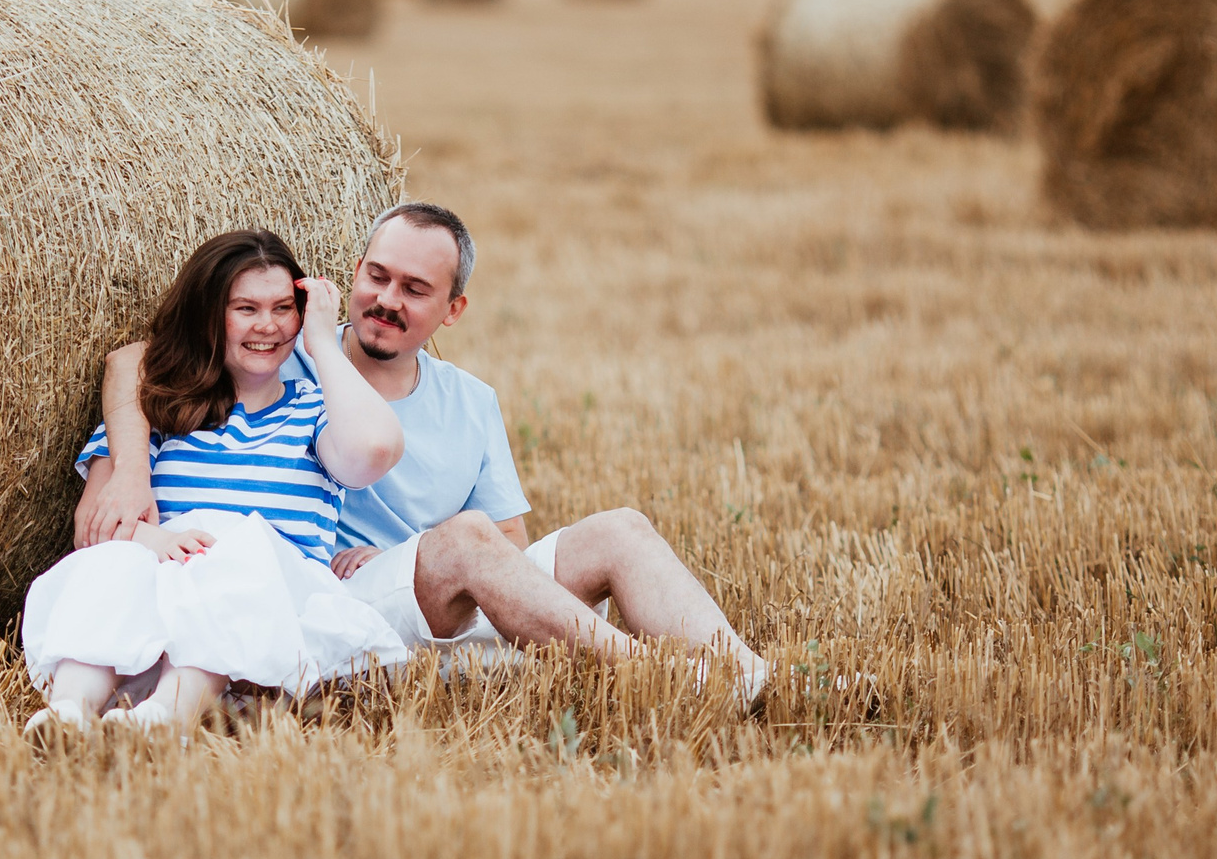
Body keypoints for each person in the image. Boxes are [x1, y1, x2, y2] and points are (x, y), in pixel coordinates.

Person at [74, 202, 776, 707]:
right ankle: (662, 677)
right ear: (353, 274)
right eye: (376, 276)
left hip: (430, 581)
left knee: (619, 528)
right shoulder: (281, 358)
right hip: (334, 595)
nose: (385, 299)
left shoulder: (470, 399)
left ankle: (750, 679)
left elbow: (507, 548)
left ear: (453, 310)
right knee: (464, 540)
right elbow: (138, 362)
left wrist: (418, 557)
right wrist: (131, 472)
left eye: (414, 289)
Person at [22, 228, 409, 742]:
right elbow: (92, 527)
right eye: (245, 309)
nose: (267, 326)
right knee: (114, 563)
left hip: (263, 622)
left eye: (282, 309)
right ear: (210, 315)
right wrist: (154, 542)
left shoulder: (316, 415)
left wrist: (321, 343)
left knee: (236, 553)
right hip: (148, 622)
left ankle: (162, 720)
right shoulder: (156, 414)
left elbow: (375, 451)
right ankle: (68, 714)